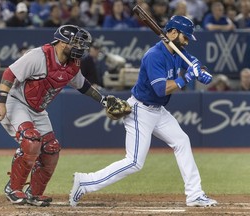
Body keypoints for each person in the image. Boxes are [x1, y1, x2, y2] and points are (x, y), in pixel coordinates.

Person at [69, 15, 218, 208]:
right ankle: (85, 181)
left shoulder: (177, 51)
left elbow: (192, 62)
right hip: (141, 110)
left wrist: (201, 70)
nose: (187, 41)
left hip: (158, 110)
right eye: (185, 37)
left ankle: (195, 194)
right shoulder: (154, 55)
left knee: (182, 141)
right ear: (172, 33)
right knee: (134, 162)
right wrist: (187, 78)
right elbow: (161, 89)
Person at [0, 24, 128, 207]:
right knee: (31, 141)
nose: (81, 48)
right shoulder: (39, 55)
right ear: (63, 43)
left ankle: (34, 193)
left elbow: (83, 85)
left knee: (52, 149)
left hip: (37, 109)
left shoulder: (72, 64)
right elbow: (9, 73)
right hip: (15, 101)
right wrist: (1, 102)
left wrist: (103, 100)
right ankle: (14, 188)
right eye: (77, 43)